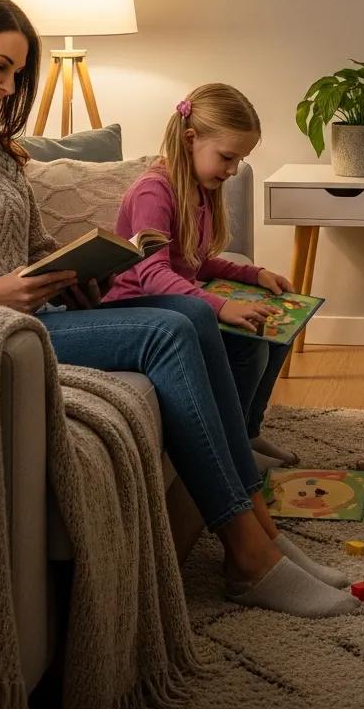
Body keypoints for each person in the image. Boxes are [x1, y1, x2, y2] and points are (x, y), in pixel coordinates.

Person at [0, 0, 356, 617]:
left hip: (43, 313)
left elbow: (36, 249)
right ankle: (248, 551)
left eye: (16, 74)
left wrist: (87, 270)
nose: (6, 86)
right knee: (168, 331)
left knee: (189, 312)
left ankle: (263, 530)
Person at [103, 83, 298, 467]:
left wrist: (252, 274)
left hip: (172, 301)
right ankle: (232, 445)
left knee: (275, 327)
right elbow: (152, 274)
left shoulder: (199, 189)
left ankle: (247, 431)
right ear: (190, 139)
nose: (233, 170)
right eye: (227, 157)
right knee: (248, 344)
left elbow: (194, 261)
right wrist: (221, 306)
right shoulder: (153, 192)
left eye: (239, 160)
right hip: (136, 307)